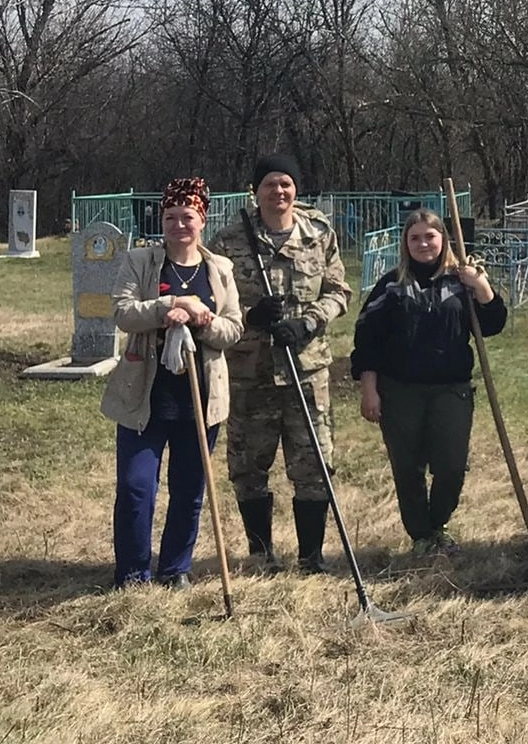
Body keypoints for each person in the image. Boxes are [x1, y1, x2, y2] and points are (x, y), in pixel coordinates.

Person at [211, 154, 351, 574]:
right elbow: (214, 303)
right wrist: (250, 317)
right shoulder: (228, 241)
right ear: (256, 190)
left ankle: (311, 557)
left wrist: (308, 322)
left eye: (286, 183)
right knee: (248, 465)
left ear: (296, 189)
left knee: (313, 465)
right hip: (249, 372)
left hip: (305, 372)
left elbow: (339, 290)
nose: (279, 192)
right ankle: (260, 555)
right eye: (270, 184)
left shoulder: (318, 234)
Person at [103, 178, 243, 589]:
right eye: (171, 217)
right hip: (145, 393)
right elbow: (124, 313)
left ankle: (176, 568)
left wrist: (204, 319)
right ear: (161, 220)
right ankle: (132, 571)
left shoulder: (219, 269)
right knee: (135, 487)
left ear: (202, 220)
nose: (180, 224)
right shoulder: (140, 262)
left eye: (188, 217)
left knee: (189, 490)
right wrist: (172, 305)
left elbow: (233, 329)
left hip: (200, 397)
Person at [350, 209, 507, 557]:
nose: (423, 243)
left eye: (430, 236)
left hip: (452, 388)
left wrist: (481, 287)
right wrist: (369, 389)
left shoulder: (461, 282)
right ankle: (421, 534)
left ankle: (438, 523)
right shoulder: (391, 284)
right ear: (406, 244)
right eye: (415, 238)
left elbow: (494, 324)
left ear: (443, 240)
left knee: (451, 465)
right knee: (407, 467)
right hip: (400, 390)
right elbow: (367, 341)